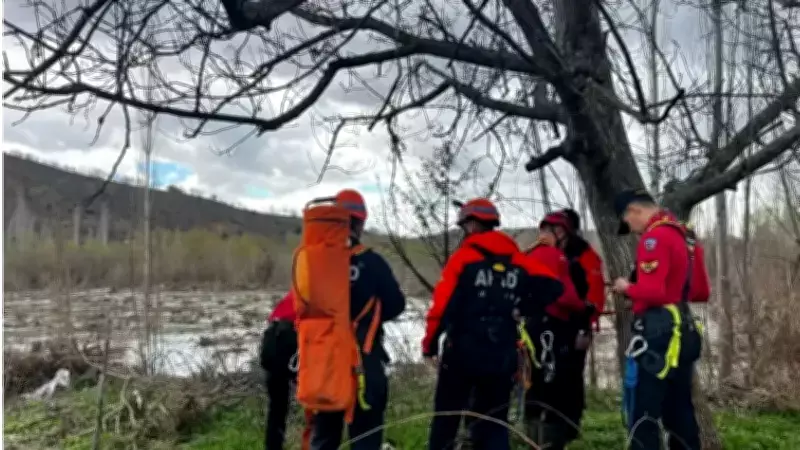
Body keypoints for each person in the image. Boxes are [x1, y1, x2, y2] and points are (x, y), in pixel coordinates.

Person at [422, 198, 564, 450]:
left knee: (447, 418)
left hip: (462, 351)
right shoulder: (517, 260)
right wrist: (523, 307)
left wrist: (429, 345)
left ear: (471, 225)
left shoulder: (463, 259)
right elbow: (553, 286)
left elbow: (441, 308)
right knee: (494, 420)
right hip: (502, 351)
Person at [307, 189, 407, 450]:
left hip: (324, 365)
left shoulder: (313, 262)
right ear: (360, 224)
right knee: (366, 439)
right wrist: (370, 317)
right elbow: (396, 305)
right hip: (365, 362)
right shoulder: (372, 263)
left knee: (324, 438)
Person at [610, 189, 710, 450]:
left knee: (643, 413)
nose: (632, 230)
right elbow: (699, 291)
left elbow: (654, 292)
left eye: (628, 222)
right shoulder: (685, 236)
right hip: (684, 329)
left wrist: (627, 288)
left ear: (634, 210)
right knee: (679, 411)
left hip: (658, 335)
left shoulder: (654, 238)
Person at [521, 218, 594, 450]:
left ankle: (533, 437)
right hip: (552, 328)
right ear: (559, 232)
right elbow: (564, 294)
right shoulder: (554, 256)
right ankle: (551, 441)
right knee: (556, 386)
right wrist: (584, 308)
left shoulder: (528, 255)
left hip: (531, 327)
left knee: (534, 383)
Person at [260, 291, 298, 450]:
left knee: (276, 409)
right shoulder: (314, 297)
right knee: (315, 407)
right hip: (291, 344)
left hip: (272, 343)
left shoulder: (295, 293)